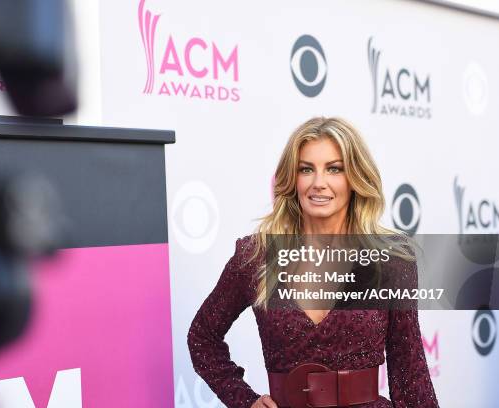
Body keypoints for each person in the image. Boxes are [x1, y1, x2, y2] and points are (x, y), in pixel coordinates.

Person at [187, 117, 439, 408]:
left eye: (334, 168)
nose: (319, 183)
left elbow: (409, 368)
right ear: (292, 179)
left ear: (355, 177)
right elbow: (202, 337)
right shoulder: (256, 257)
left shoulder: (392, 259)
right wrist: (245, 401)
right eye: (306, 169)